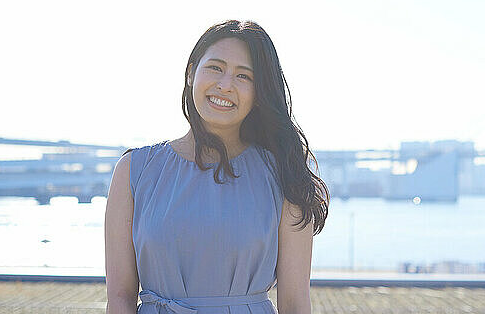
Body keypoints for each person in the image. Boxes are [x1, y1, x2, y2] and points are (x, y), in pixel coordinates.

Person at [104, 19, 330, 314]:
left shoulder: (284, 176)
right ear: (190, 74)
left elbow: (295, 303)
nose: (225, 85)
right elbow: (120, 297)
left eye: (244, 76)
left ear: (259, 93)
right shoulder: (134, 171)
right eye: (215, 68)